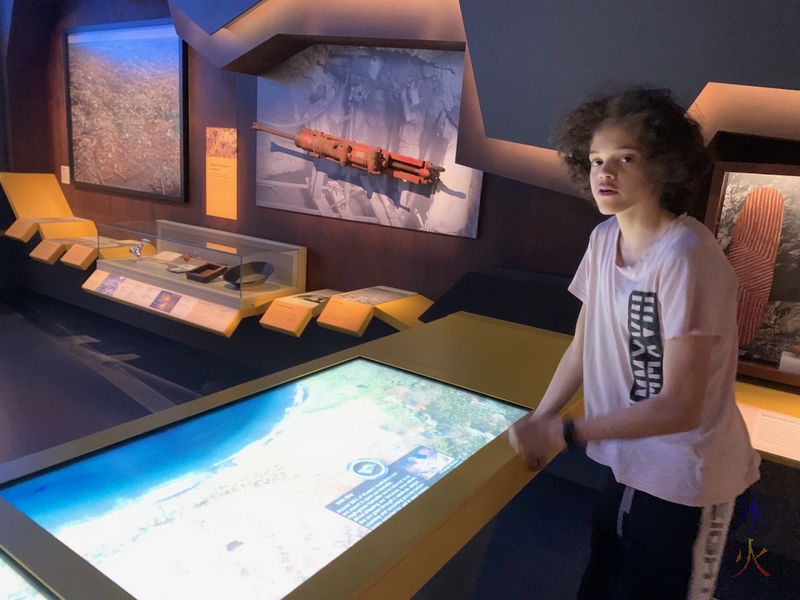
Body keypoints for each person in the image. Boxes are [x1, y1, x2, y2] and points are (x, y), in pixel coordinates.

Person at [508, 87, 761, 600]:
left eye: (625, 158)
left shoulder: (687, 257)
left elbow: (682, 407)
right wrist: (540, 419)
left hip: (688, 479)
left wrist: (566, 431)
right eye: (597, 159)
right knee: (602, 582)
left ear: (664, 166)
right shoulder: (604, 240)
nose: (605, 172)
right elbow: (583, 343)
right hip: (629, 460)